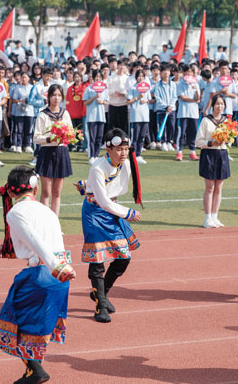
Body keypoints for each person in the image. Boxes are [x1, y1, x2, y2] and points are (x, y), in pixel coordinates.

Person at [0, 166, 75, 384]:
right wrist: (5, 250)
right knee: (32, 323)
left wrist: (56, 267)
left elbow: (35, 241)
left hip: (44, 273)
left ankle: (35, 370)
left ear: (11, 192)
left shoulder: (15, 213)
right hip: (59, 275)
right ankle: (33, 370)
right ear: (35, 189)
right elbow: (39, 242)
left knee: (13, 318)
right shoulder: (47, 211)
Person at [75, 128, 142, 323]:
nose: (123, 153)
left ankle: (101, 293)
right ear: (108, 149)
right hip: (95, 213)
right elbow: (103, 201)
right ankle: (100, 306)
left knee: (123, 258)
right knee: (97, 260)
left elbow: (112, 190)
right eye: (119, 149)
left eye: (126, 149)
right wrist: (128, 213)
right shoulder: (97, 167)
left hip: (112, 209)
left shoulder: (125, 164)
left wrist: (88, 184)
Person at [33, 84, 73, 216]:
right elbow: (36, 138)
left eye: (59, 95)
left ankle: (55, 222)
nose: (56, 98)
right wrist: (50, 139)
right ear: (49, 97)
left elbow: (71, 133)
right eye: (54, 95)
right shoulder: (42, 114)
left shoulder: (65, 113)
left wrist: (66, 137)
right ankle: (45, 221)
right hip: (47, 153)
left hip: (61, 152)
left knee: (57, 192)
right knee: (46, 192)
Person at [195, 95, 230, 228]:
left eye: (222, 104)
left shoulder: (226, 121)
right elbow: (198, 141)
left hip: (222, 154)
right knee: (210, 187)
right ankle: (207, 218)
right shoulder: (206, 120)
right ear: (213, 105)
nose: (219, 106)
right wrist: (211, 143)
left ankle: (215, 216)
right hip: (209, 154)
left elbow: (230, 139)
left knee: (219, 188)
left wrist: (227, 140)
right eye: (217, 104)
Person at [83, 70, 109, 164]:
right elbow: (85, 102)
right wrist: (95, 97)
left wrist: (102, 101)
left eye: (99, 76)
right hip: (91, 117)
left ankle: (97, 155)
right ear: (93, 78)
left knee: (99, 137)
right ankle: (91, 156)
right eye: (96, 76)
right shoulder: (89, 89)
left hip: (101, 116)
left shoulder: (104, 88)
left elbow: (106, 101)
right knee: (92, 137)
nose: (98, 78)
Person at [176, 64, 201, 161]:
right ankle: (179, 152)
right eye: (187, 72)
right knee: (181, 133)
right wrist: (194, 100)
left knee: (193, 132)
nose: (189, 73)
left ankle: (192, 152)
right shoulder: (180, 84)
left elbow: (198, 98)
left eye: (191, 72)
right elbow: (182, 97)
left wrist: (196, 90)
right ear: (184, 73)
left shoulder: (196, 84)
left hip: (194, 113)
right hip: (183, 112)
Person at [126, 69, 151, 164]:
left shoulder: (146, 87)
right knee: (135, 137)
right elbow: (128, 102)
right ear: (136, 77)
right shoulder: (133, 88)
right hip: (135, 116)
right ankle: (132, 156)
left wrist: (146, 100)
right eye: (139, 76)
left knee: (142, 136)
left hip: (145, 116)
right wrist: (137, 98)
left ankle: (138, 155)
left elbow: (149, 99)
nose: (140, 78)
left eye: (142, 76)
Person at [153, 64, 177, 151]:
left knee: (171, 126)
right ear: (161, 73)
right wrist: (165, 106)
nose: (166, 73)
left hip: (171, 109)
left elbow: (174, 96)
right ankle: (163, 142)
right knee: (162, 126)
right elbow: (157, 97)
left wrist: (170, 106)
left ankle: (169, 142)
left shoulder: (173, 84)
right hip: (161, 109)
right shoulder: (157, 85)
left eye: (167, 71)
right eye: (164, 71)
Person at [10, 71, 35, 154]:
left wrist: (29, 101)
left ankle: (28, 145)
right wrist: (21, 101)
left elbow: (35, 98)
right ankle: (19, 145)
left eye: (25, 77)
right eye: (22, 77)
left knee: (28, 129)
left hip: (30, 111)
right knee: (19, 130)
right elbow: (14, 99)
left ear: (28, 78)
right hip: (19, 111)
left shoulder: (32, 87)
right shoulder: (17, 88)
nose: (24, 79)